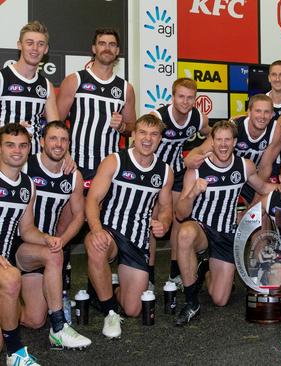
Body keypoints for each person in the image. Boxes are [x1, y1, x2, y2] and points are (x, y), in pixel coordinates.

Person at [174, 120, 274, 326]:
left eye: (227, 140)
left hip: (226, 234)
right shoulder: (197, 169)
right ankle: (192, 302)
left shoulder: (244, 166)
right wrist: (193, 192)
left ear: (235, 142)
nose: (222, 144)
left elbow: (264, 187)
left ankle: (205, 270)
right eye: (218, 139)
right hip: (201, 229)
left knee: (220, 299)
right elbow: (181, 213)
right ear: (211, 141)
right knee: (185, 233)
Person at [84, 115, 173, 338]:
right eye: (142, 132)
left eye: (153, 134)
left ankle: (105, 286)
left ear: (160, 139)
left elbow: (165, 209)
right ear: (133, 135)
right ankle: (110, 312)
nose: (147, 138)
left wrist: (164, 223)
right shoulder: (114, 161)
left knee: (133, 309)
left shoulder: (164, 171)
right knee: (96, 246)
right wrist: (96, 229)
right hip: (111, 232)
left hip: (138, 239)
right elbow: (93, 199)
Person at [18, 121, 89, 349]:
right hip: (17, 243)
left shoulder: (73, 176)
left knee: (35, 319)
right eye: (53, 138)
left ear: (69, 144)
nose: (58, 144)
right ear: (41, 142)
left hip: (42, 247)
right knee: (53, 255)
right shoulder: (25, 165)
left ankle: (7, 306)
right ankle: (59, 327)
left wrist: (62, 240)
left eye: (63, 140)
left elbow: (79, 216)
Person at [0, 123, 62, 365]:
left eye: (23, 145)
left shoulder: (27, 185)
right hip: (5, 269)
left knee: (36, 318)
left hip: (4, 262)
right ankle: (15, 353)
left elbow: (26, 230)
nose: (17, 151)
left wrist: (46, 238)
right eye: (10, 145)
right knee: (12, 277)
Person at [57, 27, 136, 189]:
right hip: (75, 162)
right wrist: (64, 154)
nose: (107, 48)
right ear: (94, 48)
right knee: (74, 213)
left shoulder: (125, 88)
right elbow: (56, 123)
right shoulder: (75, 80)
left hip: (109, 166)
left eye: (112, 44)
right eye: (102, 43)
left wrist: (122, 126)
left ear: (118, 50)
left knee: (100, 213)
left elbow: (132, 127)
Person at [150, 77, 211, 287]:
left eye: (190, 98)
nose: (185, 102)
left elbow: (209, 132)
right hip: (154, 172)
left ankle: (174, 273)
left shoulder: (198, 118)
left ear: (195, 99)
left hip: (176, 171)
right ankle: (148, 276)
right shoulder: (158, 117)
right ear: (173, 97)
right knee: (152, 221)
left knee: (178, 221)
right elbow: (140, 141)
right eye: (181, 97)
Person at [186, 94, 278, 204]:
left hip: (253, 177)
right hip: (228, 172)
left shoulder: (275, 131)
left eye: (266, 112)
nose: (262, 116)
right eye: (258, 111)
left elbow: (265, 168)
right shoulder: (234, 126)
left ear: (272, 114)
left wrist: (254, 204)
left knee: (263, 210)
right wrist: (188, 160)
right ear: (248, 112)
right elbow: (202, 150)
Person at [0, 21, 59, 154]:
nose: (35, 48)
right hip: (4, 159)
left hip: (34, 160)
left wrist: (65, 156)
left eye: (40, 44)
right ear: (19, 45)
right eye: (29, 43)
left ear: (46, 49)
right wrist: (12, 131)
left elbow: (55, 130)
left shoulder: (46, 85)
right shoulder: (2, 78)